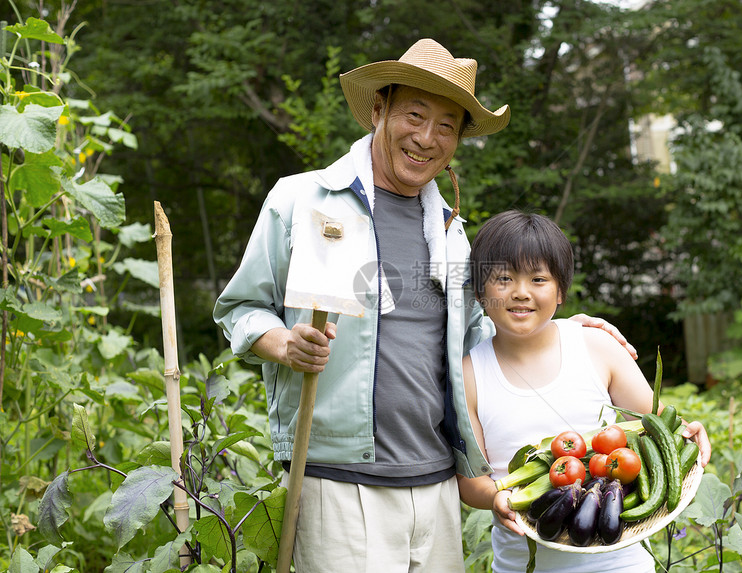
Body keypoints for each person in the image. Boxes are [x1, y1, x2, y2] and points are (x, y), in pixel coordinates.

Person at [213, 39, 638, 573]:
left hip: (438, 481)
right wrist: (285, 345)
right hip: (338, 478)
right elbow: (240, 309)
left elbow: (478, 337)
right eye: (414, 115)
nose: (427, 138)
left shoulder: (451, 233)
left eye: (447, 126)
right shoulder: (302, 202)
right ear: (378, 110)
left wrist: (560, 329)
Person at [456, 210, 712, 573]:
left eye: (538, 278)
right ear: (481, 291)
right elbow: (470, 484)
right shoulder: (469, 374)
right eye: (504, 278)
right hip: (521, 564)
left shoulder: (597, 347)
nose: (521, 292)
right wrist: (498, 496)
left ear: (560, 289)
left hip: (620, 561)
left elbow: (656, 426)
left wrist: (686, 431)